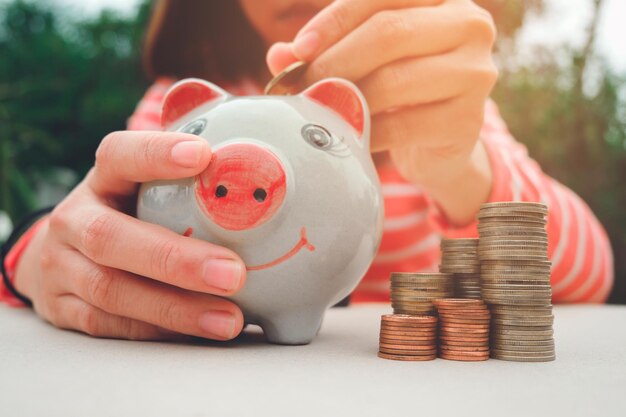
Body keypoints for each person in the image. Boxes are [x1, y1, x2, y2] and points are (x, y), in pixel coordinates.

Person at [1, 0, 614, 342]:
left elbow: (593, 275)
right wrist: (34, 254)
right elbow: (90, 227)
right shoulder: (182, 104)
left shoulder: (455, 117)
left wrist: (460, 166)